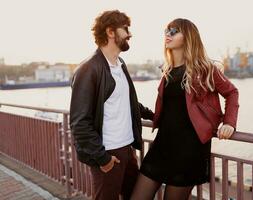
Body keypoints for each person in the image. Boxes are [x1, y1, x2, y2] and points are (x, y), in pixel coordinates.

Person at [131, 18, 239, 200]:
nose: (168, 34)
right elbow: (171, 110)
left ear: (188, 37)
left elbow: (232, 92)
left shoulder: (206, 69)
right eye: (166, 30)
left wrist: (229, 123)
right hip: (162, 146)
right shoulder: (168, 71)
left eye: (174, 31)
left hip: (189, 150)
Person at [69, 10, 153, 200]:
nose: (129, 34)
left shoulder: (119, 64)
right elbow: (79, 122)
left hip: (126, 149)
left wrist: (156, 116)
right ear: (110, 32)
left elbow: (128, 102)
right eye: (125, 28)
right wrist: (102, 158)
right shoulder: (89, 69)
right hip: (108, 153)